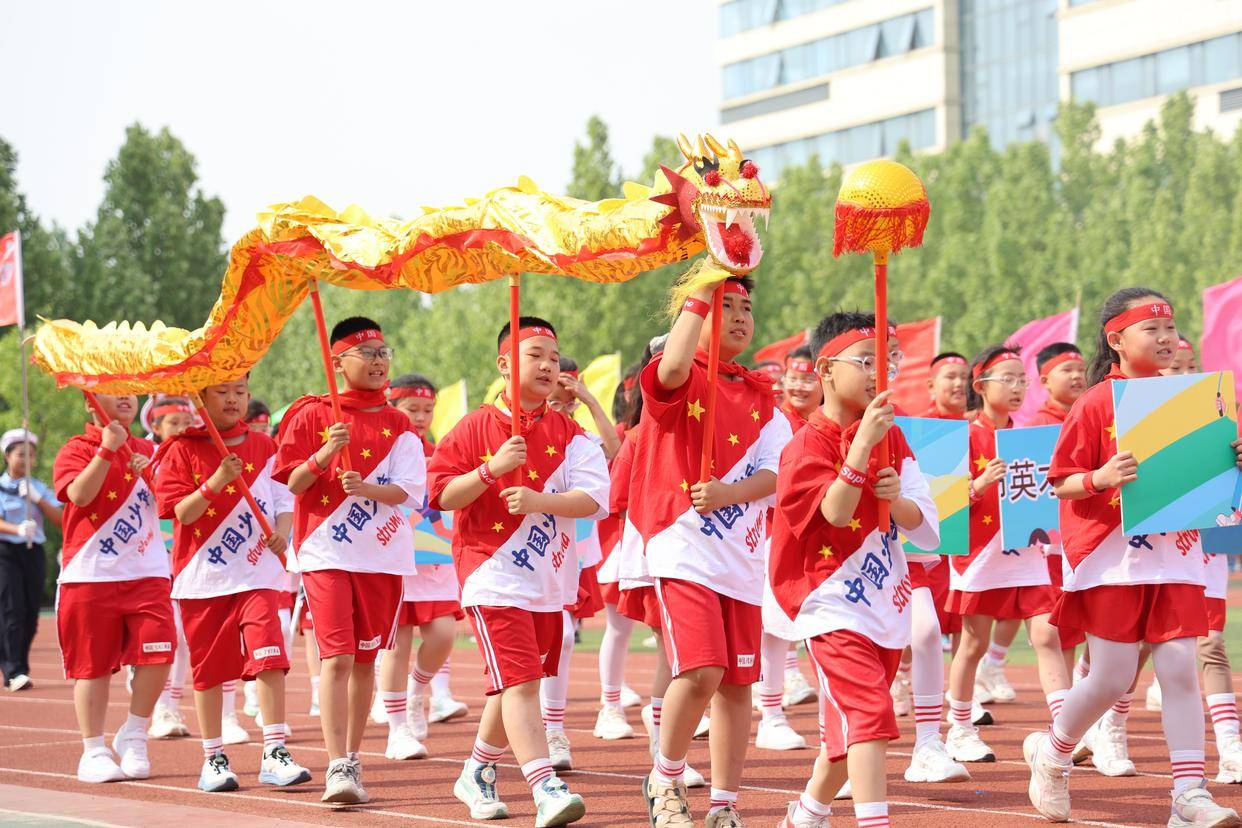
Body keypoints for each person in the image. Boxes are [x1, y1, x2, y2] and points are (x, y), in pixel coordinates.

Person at [1024, 288, 1242, 825]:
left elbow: (1209, 476)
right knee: (1112, 678)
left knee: (1180, 668)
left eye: (1170, 328)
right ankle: (1053, 753)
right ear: (1116, 339)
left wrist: (1232, 459)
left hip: (1177, 554)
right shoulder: (1097, 402)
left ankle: (1188, 795)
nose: (1167, 339)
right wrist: (1100, 478)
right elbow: (1061, 481)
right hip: (1113, 560)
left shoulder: (1195, 400)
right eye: (1152, 329)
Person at [428, 316, 607, 827]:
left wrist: (537, 499)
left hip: (546, 577)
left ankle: (476, 771)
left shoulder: (570, 433)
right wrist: (490, 470)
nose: (549, 366)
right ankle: (544, 786)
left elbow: (596, 498)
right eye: (536, 356)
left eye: (553, 357)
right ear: (505, 365)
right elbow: (441, 495)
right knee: (523, 683)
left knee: (515, 683)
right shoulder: (474, 426)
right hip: (491, 571)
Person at [629, 273, 792, 827]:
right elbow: (672, 368)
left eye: (747, 307)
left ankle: (724, 805)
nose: (741, 317)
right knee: (701, 671)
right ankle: (665, 779)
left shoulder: (763, 397)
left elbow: (777, 473)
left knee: (738, 685)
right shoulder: (680, 378)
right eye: (728, 306)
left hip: (740, 559)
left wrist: (728, 493)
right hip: (683, 548)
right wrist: (702, 289)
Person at [769, 312, 943, 828]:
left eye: (887, 362)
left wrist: (898, 500)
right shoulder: (805, 445)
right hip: (828, 602)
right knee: (869, 716)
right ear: (825, 369)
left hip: (883, 599)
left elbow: (928, 530)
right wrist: (862, 448)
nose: (879, 373)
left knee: (847, 737)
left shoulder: (896, 439)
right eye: (866, 361)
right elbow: (836, 512)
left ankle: (806, 814)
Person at [273, 316, 426, 805]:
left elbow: (409, 491)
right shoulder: (311, 414)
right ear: (338, 362)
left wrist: (366, 489)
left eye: (384, 352)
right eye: (368, 353)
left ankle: (353, 758)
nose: (379, 361)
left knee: (365, 659)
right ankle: (336, 763)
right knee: (336, 657)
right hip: (326, 552)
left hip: (381, 556)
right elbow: (292, 483)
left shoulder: (400, 424)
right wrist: (325, 452)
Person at [154, 376, 310, 792]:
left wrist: (282, 532)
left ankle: (275, 751)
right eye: (222, 392)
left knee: (270, 658)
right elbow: (181, 513)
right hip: (203, 579)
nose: (233, 400)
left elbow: (283, 501)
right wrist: (218, 480)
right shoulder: (181, 449)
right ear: (200, 397)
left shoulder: (264, 446)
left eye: (240, 392)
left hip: (258, 575)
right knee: (209, 672)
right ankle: (214, 758)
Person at [944, 345, 1070, 765]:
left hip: (1027, 550)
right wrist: (980, 484)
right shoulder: (964, 436)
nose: (1017, 387)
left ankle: (1065, 731)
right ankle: (960, 728)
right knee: (973, 644)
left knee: (1047, 635)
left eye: (1022, 380)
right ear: (981, 386)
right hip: (981, 554)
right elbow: (942, 505)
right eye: (1008, 379)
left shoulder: (1030, 439)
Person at [53, 392, 174, 783]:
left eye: (129, 387)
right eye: (112, 387)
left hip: (147, 571)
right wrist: (107, 450)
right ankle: (93, 751)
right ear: (91, 403)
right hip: (91, 573)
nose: (125, 394)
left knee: (159, 653)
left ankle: (135, 733)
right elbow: (79, 495)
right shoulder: (77, 448)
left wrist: (151, 475)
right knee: (93, 667)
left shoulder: (150, 450)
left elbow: (172, 504)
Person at [369, 372, 467, 761]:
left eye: (428, 409)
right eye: (413, 409)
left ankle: (416, 691)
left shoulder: (439, 451)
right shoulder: (379, 451)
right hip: (391, 558)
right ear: (393, 407)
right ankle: (398, 729)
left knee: (443, 635)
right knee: (396, 644)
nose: (422, 417)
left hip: (433, 562)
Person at [146, 397, 199, 740]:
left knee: (182, 636)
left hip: (183, 556)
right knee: (163, 634)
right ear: (155, 426)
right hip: (148, 559)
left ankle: (169, 706)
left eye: (186, 422)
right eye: (173, 423)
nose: (181, 429)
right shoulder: (144, 456)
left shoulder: (197, 453)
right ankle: (158, 705)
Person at [0, 429, 62, 691]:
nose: (27, 460)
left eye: (31, 455)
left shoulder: (37, 487)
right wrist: (16, 529)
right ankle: (14, 670)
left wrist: (37, 500)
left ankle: (19, 666)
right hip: (6, 552)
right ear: (7, 456)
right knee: (12, 610)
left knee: (30, 614)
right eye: (21, 454)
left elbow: (61, 520)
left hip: (33, 551)